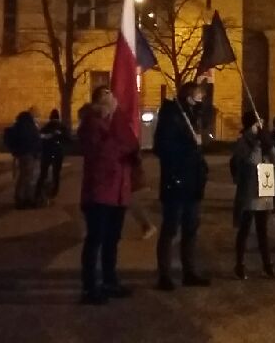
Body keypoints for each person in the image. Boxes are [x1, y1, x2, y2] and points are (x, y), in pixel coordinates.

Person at [77, 86, 139, 305]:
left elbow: (130, 145)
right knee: (95, 239)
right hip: (99, 192)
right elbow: (102, 153)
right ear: (97, 101)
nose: (111, 98)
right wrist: (121, 144)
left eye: (112, 95)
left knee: (112, 240)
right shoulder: (91, 123)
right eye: (106, 95)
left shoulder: (116, 122)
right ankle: (89, 287)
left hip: (118, 191)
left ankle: (109, 281)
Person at [152, 82, 211, 290]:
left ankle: (189, 271)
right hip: (176, 181)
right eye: (199, 96)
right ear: (189, 97)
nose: (202, 100)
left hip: (193, 182)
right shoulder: (172, 116)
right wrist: (188, 145)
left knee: (190, 229)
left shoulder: (194, 116)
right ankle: (164, 275)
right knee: (170, 228)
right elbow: (162, 148)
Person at [231, 110, 275, 280]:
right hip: (250, 191)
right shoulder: (243, 142)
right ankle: (239, 264)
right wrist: (258, 145)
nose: (261, 124)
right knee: (244, 230)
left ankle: (267, 264)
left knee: (263, 231)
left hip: (264, 190)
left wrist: (268, 145)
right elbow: (250, 161)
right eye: (257, 121)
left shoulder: (264, 140)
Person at [4, 110, 42, 209]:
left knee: (23, 176)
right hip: (29, 154)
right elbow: (36, 140)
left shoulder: (17, 127)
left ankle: (21, 198)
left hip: (21, 155)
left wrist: (15, 151)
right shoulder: (31, 127)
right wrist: (37, 153)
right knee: (27, 177)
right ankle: (25, 198)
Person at [36, 109, 66, 202]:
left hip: (47, 153)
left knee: (43, 173)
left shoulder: (46, 127)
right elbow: (68, 139)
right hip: (57, 153)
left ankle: (39, 191)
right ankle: (54, 191)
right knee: (56, 173)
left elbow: (40, 137)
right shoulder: (62, 127)